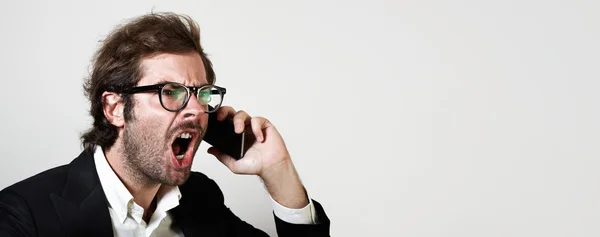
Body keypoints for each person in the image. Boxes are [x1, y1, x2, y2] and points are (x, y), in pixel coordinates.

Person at [0, 12, 330, 237]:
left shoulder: (199, 198)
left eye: (202, 94)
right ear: (115, 108)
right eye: (170, 92)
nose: (195, 110)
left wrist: (277, 169)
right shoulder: (24, 214)